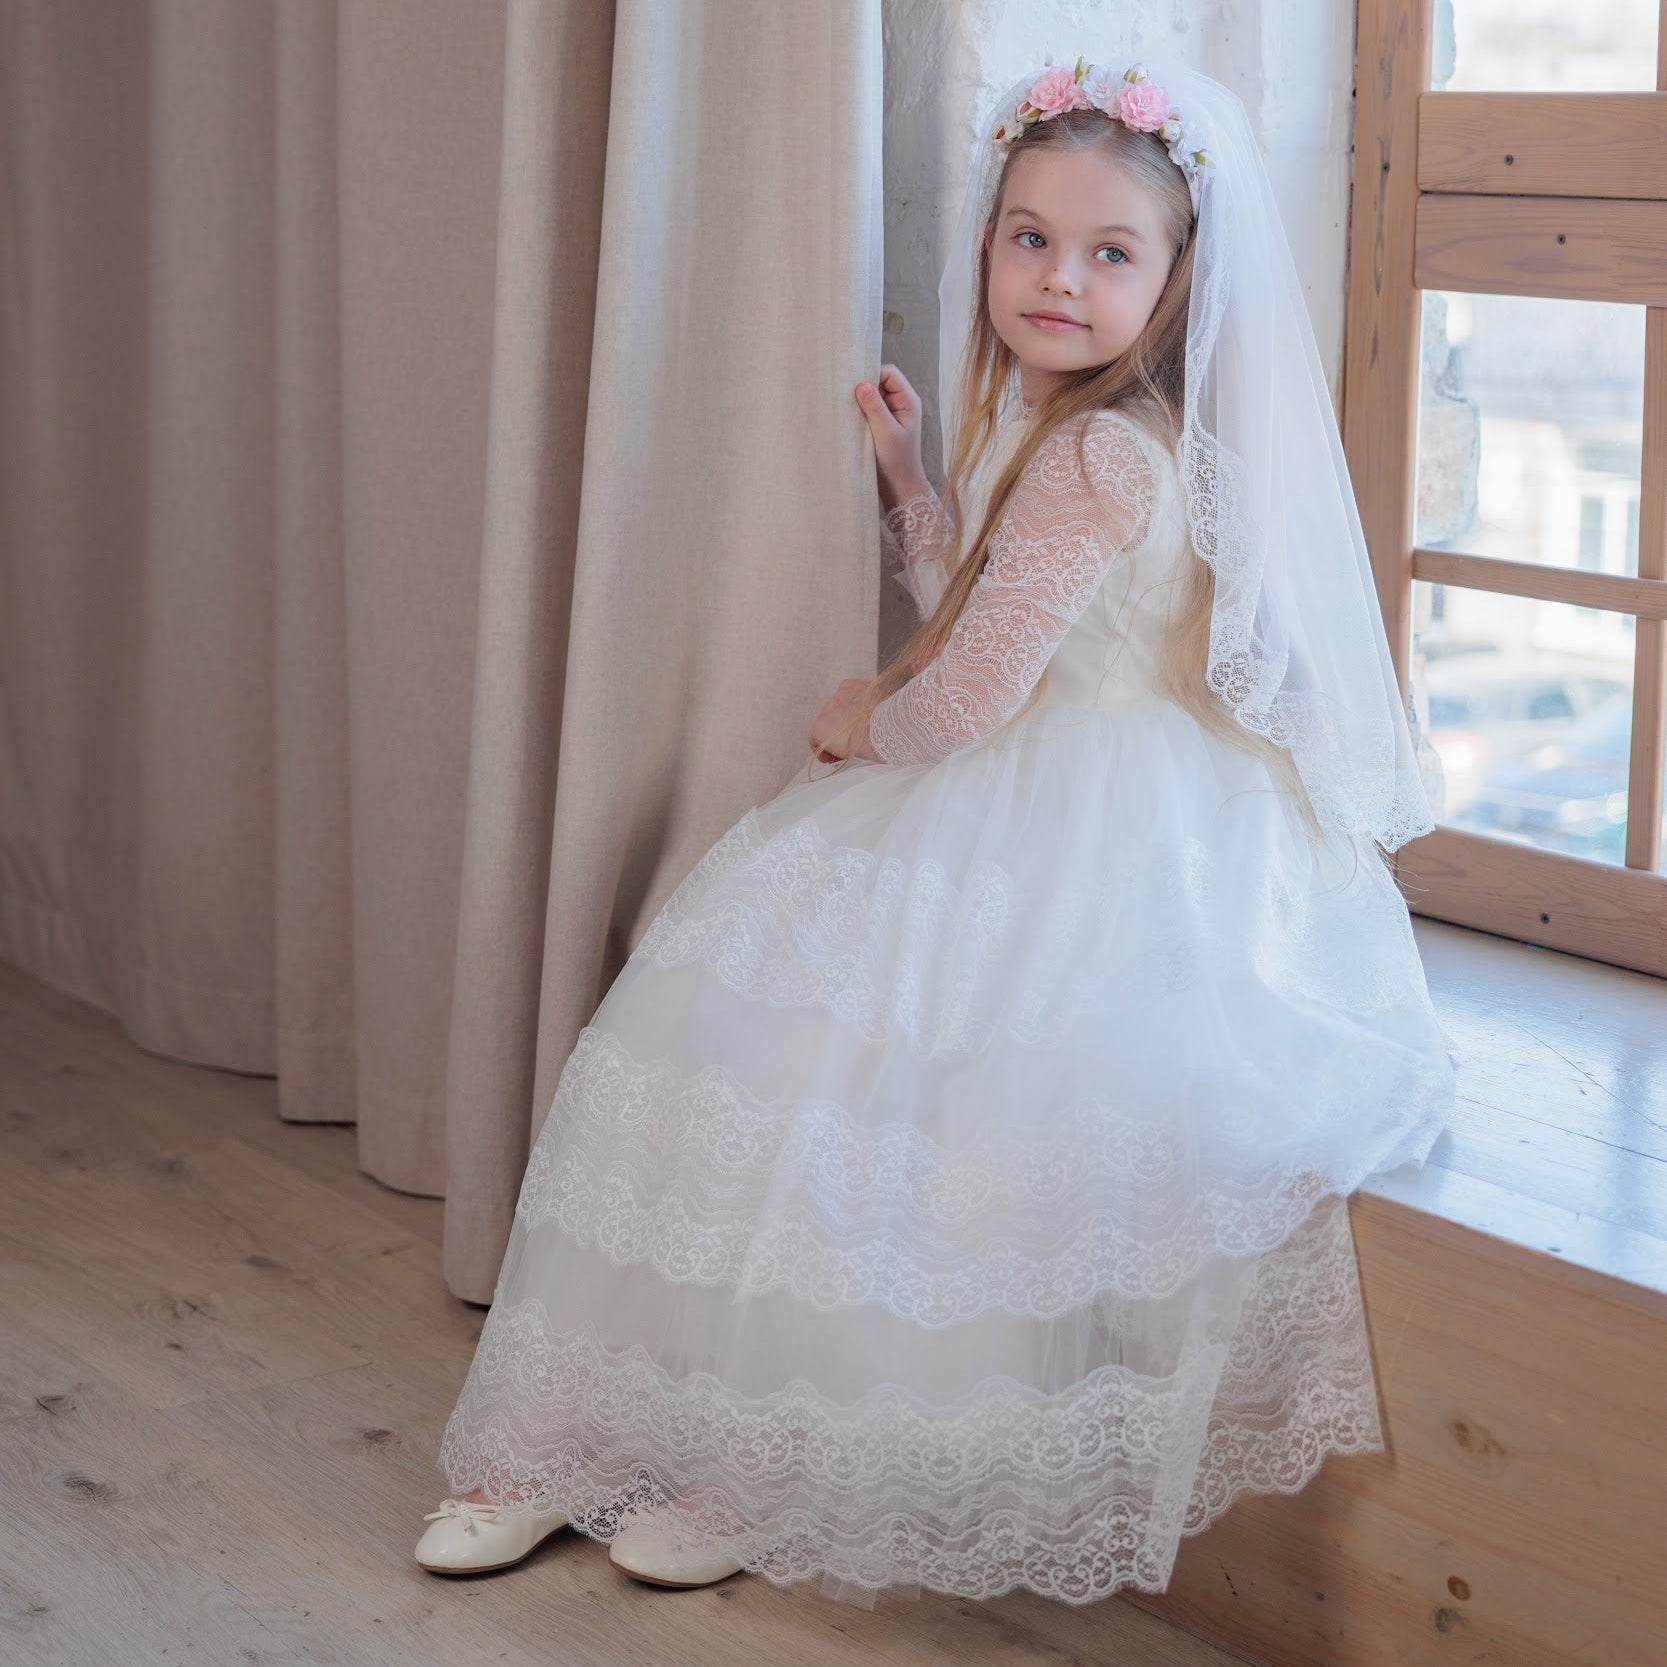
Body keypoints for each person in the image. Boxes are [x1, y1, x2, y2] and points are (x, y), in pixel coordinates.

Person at [414, 53, 1458, 1612]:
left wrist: (859, 720)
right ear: (987, 244)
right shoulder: (1041, 418)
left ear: (1177, 289)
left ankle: (756, 1456)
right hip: (1037, 776)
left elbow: (965, 697)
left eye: (1112, 254)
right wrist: (914, 479)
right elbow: (979, 601)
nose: (1060, 278)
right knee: (737, 1049)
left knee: (865, 1094)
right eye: (1030, 237)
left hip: (1090, 833)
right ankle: (587, 1431)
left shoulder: (1109, 450)